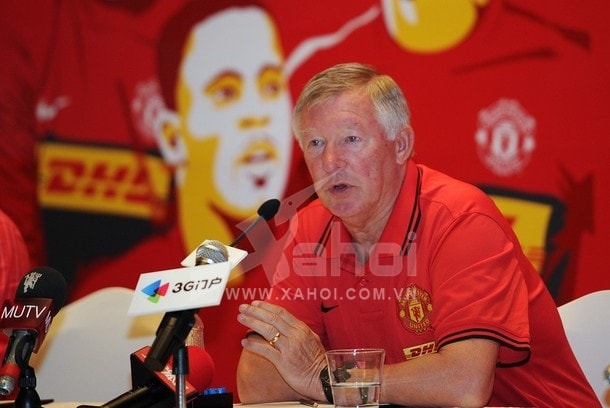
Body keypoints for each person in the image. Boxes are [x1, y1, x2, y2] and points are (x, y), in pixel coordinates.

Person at [235, 62, 599, 407]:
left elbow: (465, 383)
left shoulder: (461, 219)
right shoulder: (310, 229)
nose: (330, 162)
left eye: (350, 139)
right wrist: (326, 380)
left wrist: (328, 380)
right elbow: (256, 382)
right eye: (315, 144)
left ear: (401, 145)